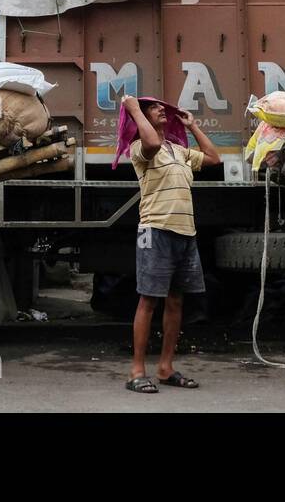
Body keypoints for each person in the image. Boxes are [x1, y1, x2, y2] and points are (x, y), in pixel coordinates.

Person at [117, 94, 220, 394]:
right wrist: (134, 108)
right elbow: (150, 144)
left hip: (185, 233)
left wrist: (193, 127)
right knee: (148, 300)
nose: (162, 108)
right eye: (154, 107)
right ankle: (137, 371)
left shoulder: (180, 150)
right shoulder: (139, 148)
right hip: (155, 230)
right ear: (141, 118)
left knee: (176, 301)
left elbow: (214, 159)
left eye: (161, 106)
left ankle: (165, 367)